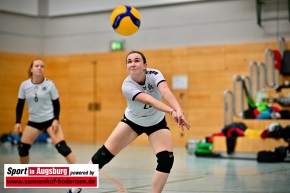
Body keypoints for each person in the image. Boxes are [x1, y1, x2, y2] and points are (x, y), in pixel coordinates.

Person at [68, 50, 190, 193]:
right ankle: (76, 187)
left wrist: (178, 110)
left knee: (166, 159)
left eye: (137, 60)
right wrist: (171, 111)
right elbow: (150, 101)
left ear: (145, 65)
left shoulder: (155, 74)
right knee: (103, 155)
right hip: (132, 122)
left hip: (156, 122)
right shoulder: (127, 85)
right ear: (126, 67)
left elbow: (165, 91)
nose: (133, 64)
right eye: (129, 61)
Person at [13, 59, 76, 164]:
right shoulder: (24, 85)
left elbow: (56, 103)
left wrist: (56, 119)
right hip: (34, 121)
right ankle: (23, 174)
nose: (39, 68)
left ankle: (79, 172)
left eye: (42, 66)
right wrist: (17, 122)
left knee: (62, 147)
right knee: (22, 149)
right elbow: (20, 104)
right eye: (37, 66)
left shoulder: (50, 84)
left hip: (49, 120)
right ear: (31, 69)